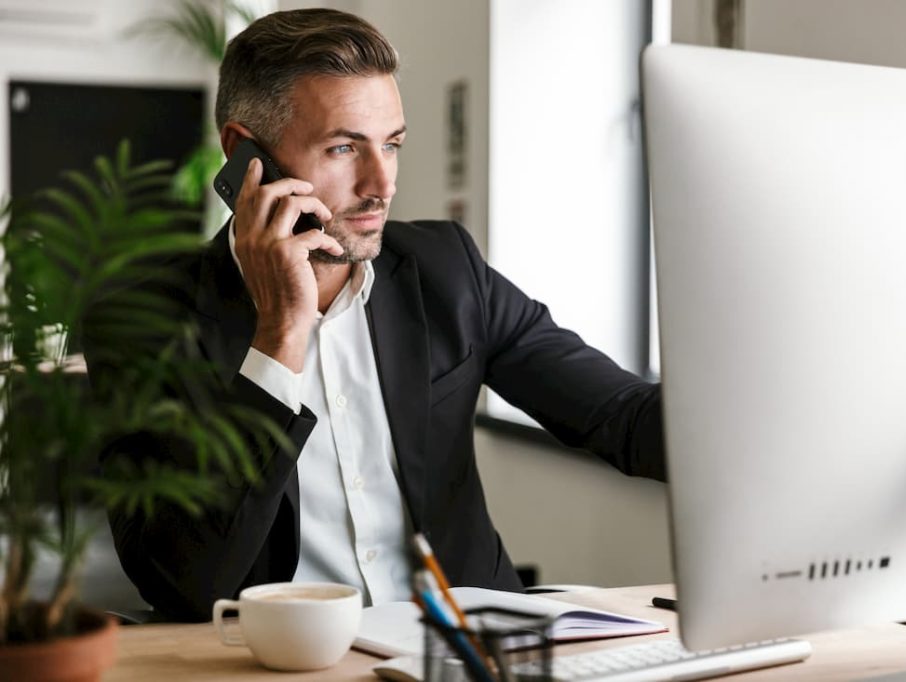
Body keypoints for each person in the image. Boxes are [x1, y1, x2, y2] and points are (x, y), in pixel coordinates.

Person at [86, 8, 663, 622]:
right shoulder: (143, 318)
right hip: (278, 661)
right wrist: (280, 332)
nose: (381, 183)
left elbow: (623, 419)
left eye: (390, 144)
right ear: (243, 155)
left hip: (460, 652)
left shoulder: (447, 270)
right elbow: (183, 581)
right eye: (343, 147)